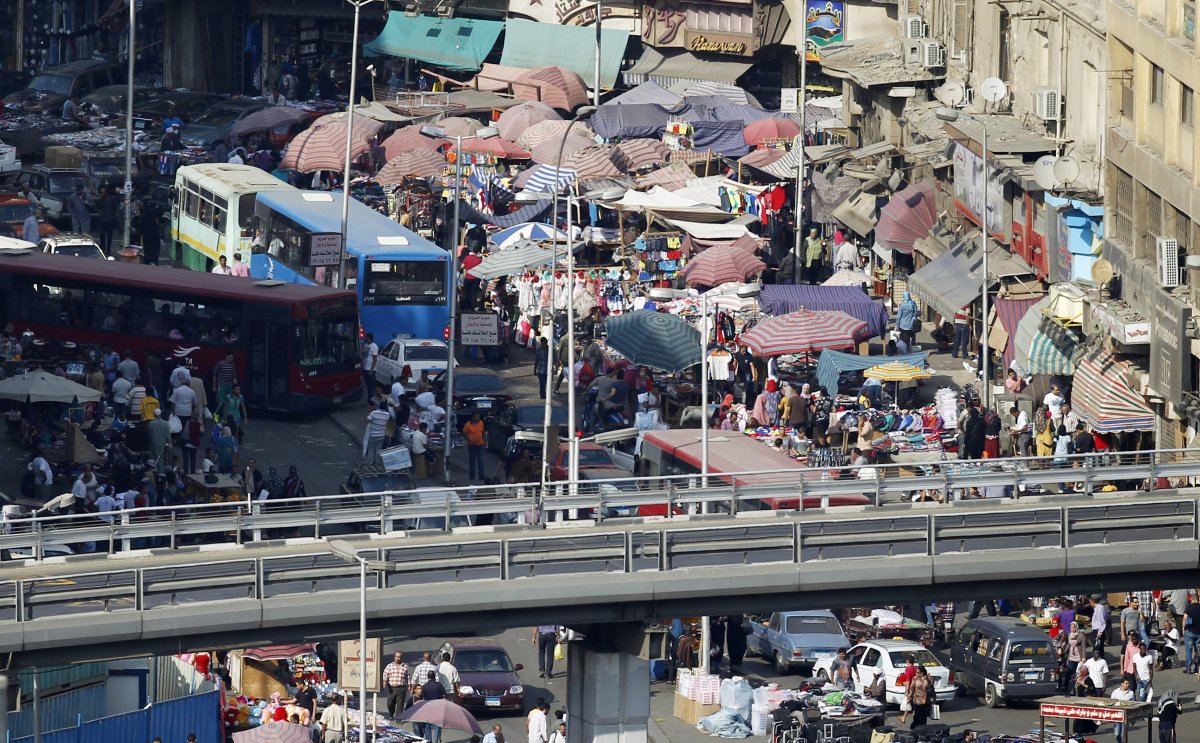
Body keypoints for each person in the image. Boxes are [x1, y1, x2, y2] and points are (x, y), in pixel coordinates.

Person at [363, 401, 392, 466]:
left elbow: (366, 421)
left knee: (371, 450)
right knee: (378, 450)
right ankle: (377, 464)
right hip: (381, 435)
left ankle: (370, 464)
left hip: (373, 435)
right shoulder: (387, 414)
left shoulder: (373, 413)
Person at [420, 671, 446, 743]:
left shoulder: (424, 686)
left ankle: (429, 740)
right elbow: (444, 695)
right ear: (434, 677)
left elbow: (422, 697)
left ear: (427, 677)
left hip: (428, 707)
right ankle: (437, 740)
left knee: (427, 725)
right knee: (437, 725)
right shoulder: (439, 685)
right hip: (437, 707)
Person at [383, 651, 410, 717]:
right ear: (394, 657)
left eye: (399, 657)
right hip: (391, 688)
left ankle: (398, 718)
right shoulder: (389, 666)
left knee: (400, 704)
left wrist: (409, 686)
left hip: (401, 688)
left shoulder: (405, 667)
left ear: (402, 658)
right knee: (389, 703)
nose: (398, 658)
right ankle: (391, 713)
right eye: (397, 657)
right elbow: (385, 675)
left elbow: (408, 677)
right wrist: (385, 681)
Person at [463, 412, 486, 482]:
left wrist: (484, 440)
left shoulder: (481, 423)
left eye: (478, 417)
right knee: (472, 461)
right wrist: (469, 438)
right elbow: (464, 433)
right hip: (472, 445)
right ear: (473, 418)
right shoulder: (467, 425)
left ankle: (481, 476)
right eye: (477, 417)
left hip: (480, 444)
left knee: (481, 461)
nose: (478, 418)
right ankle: (472, 476)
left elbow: (482, 431)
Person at [1182, 593, 1200, 673]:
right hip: (1199, 633)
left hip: (1189, 631)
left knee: (1188, 651)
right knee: (1197, 651)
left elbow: (1185, 618)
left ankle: (1188, 668)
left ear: (1192, 599)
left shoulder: (1189, 607)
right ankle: (1197, 668)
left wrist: (1183, 628)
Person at [361, 333, 379, 399]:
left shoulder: (374, 346)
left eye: (366, 337)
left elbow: (375, 359)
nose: (365, 338)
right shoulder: (365, 345)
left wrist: (371, 370)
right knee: (367, 385)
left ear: (370, 338)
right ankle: (369, 399)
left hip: (370, 369)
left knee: (370, 386)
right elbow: (363, 356)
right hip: (365, 368)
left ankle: (371, 400)